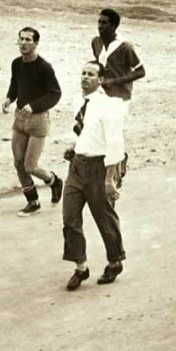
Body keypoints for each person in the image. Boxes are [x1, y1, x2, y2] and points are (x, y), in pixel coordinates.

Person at [63, 61, 126, 291]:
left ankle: (115, 260)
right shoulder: (78, 101)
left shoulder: (109, 106)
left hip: (99, 168)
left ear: (100, 80)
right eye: (83, 73)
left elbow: (116, 144)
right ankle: (80, 267)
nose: (85, 77)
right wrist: (75, 145)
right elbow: (83, 129)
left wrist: (110, 179)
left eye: (91, 74)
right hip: (77, 166)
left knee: (104, 218)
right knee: (70, 218)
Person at [1, 27, 63, 216]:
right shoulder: (16, 63)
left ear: (36, 43)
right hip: (20, 118)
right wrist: (9, 98)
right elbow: (15, 83)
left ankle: (53, 180)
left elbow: (55, 94)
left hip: (38, 120)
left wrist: (34, 106)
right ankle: (33, 202)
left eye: (28, 39)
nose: (24, 43)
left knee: (30, 166)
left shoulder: (45, 67)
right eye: (21, 39)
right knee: (18, 163)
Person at [92, 8, 146, 188]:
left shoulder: (125, 46)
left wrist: (116, 80)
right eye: (99, 22)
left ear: (114, 26)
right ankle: (118, 157)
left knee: (113, 132)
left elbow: (141, 71)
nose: (100, 26)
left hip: (120, 96)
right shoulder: (96, 42)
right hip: (101, 93)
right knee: (97, 129)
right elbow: (100, 65)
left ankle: (114, 174)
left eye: (104, 23)